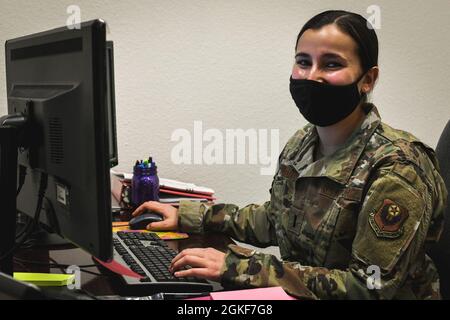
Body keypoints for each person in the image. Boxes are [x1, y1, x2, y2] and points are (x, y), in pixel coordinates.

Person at [132, 10, 447, 299]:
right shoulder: (303, 142)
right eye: (303, 61)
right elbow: (275, 220)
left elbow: (367, 288)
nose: (312, 77)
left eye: (332, 64)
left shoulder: (398, 167)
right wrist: (191, 215)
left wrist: (241, 267)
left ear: (368, 79)